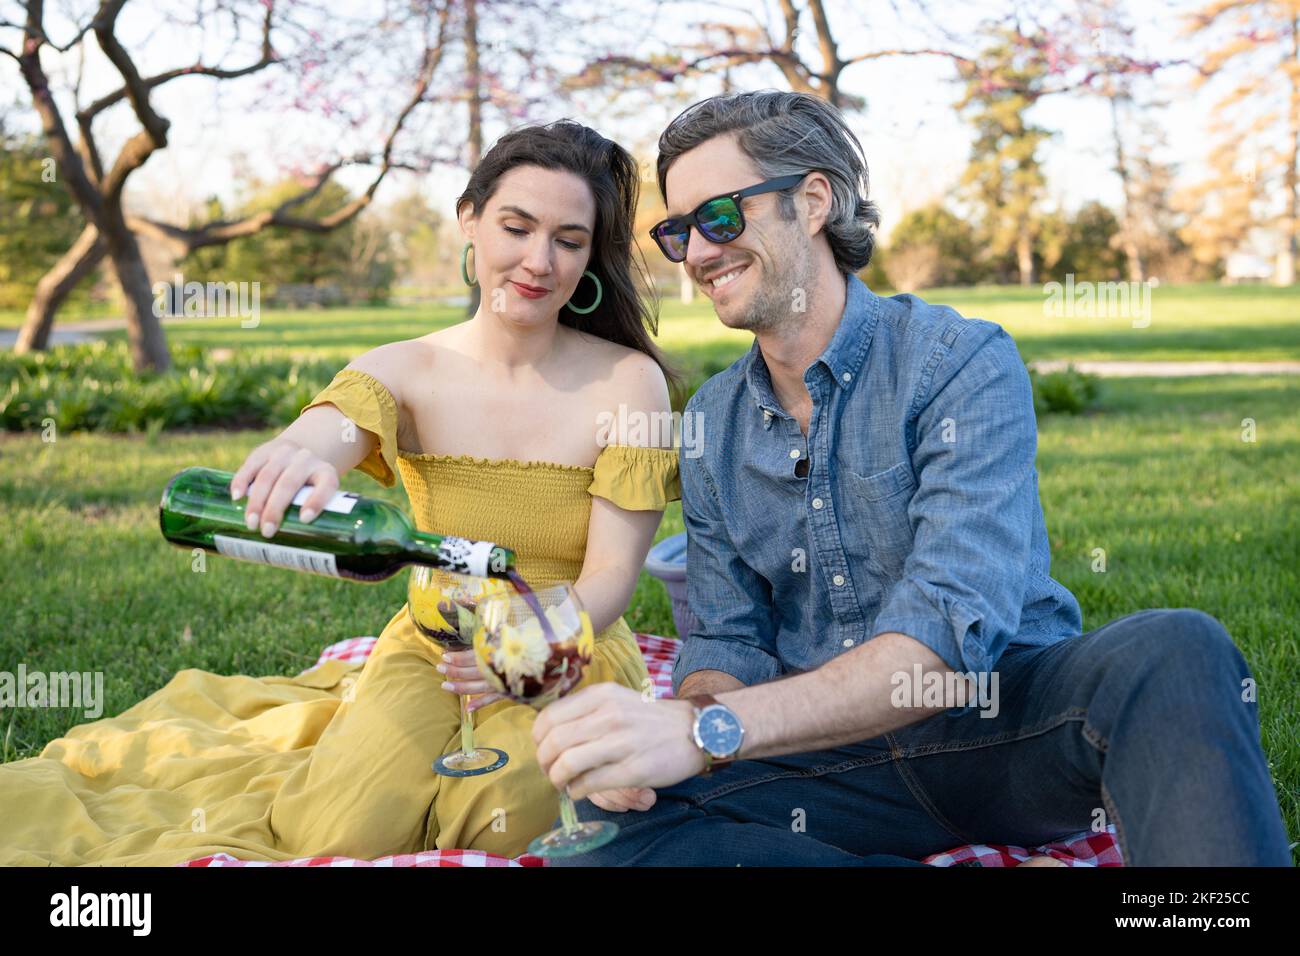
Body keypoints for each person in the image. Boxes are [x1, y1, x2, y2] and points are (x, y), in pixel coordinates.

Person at [531, 90, 1294, 867]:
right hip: (831, 766)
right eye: (677, 230)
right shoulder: (712, 421)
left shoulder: (956, 361)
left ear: (815, 200)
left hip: (1002, 731)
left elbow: (944, 635)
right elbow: (730, 636)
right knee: (609, 821)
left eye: (719, 217)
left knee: (1174, 649)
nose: (695, 253)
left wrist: (708, 732)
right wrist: (683, 725)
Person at [0, 120, 680, 865]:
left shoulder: (627, 381)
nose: (538, 261)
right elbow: (331, 427)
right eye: (516, 227)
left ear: (591, 254)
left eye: (569, 240)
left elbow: (611, 576)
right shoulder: (408, 367)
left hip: (566, 644)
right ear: (470, 219)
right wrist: (296, 453)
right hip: (433, 643)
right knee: (340, 833)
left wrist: (525, 653)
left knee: (512, 818)